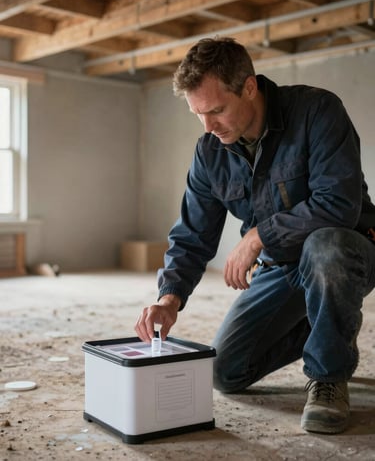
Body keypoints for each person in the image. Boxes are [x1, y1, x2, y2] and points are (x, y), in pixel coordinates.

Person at [135, 37, 375, 434]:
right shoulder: (209, 152)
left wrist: (258, 235)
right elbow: (194, 232)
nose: (209, 127)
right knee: (225, 371)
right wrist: (169, 298)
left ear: (249, 87)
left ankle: (329, 377)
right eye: (199, 115)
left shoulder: (317, 110)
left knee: (325, 245)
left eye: (216, 111)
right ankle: (325, 324)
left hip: (347, 252)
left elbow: (338, 204)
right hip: (282, 266)